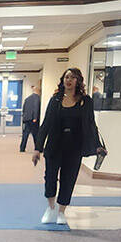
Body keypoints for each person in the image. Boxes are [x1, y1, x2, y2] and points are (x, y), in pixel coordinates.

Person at [31, 67, 106, 224]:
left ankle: (61, 212)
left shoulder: (86, 101)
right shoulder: (55, 100)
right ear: (62, 80)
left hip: (74, 147)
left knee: (68, 179)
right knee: (50, 178)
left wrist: (98, 145)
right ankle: (50, 208)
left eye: (72, 77)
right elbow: (45, 125)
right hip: (55, 145)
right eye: (66, 77)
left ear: (78, 80)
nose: (69, 80)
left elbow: (91, 125)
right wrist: (38, 148)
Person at [20, 83, 41, 152]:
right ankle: (38, 148)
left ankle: (22, 148)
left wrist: (24, 117)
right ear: (38, 91)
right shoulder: (37, 98)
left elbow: (24, 109)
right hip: (33, 119)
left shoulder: (27, 98)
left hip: (27, 118)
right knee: (36, 134)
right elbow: (36, 108)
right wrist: (35, 118)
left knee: (25, 134)